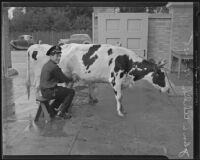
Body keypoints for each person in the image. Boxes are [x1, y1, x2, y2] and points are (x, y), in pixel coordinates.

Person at [40, 45, 79, 119]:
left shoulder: (48, 64)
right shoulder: (54, 67)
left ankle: (52, 108)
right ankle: (61, 113)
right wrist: (73, 77)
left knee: (63, 92)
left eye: (60, 56)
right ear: (51, 55)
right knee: (71, 92)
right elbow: (64, 79)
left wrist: (65, 78)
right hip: (49, 91)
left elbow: (59, 79)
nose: (59, 58)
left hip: (44, 91)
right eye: (57, 56)